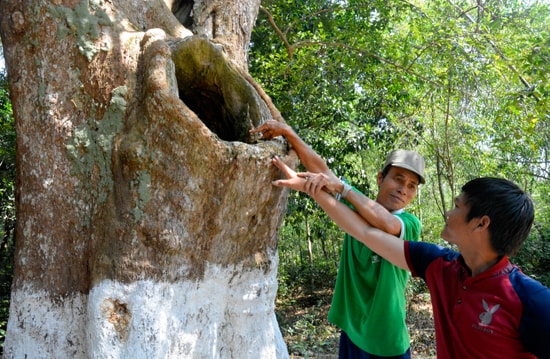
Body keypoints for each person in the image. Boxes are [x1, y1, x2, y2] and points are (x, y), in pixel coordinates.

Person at [270, 156, 550, 359]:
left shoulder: (531, 299)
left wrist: (341, 188)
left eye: (457, 206)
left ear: (481, 224)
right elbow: (365, 233)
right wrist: (310, 188)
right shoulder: (439, 265)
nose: (449, 213)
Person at [251, 120, 426, 358]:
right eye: (398, 178)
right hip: (353, 332)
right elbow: (323, 171)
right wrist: (289, 134)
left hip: (387, 339)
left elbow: (385, 223)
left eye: (412, 186)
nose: (403, 189)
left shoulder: (410, 224)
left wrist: (341, 188)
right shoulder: (355, 205)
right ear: (380, 178)